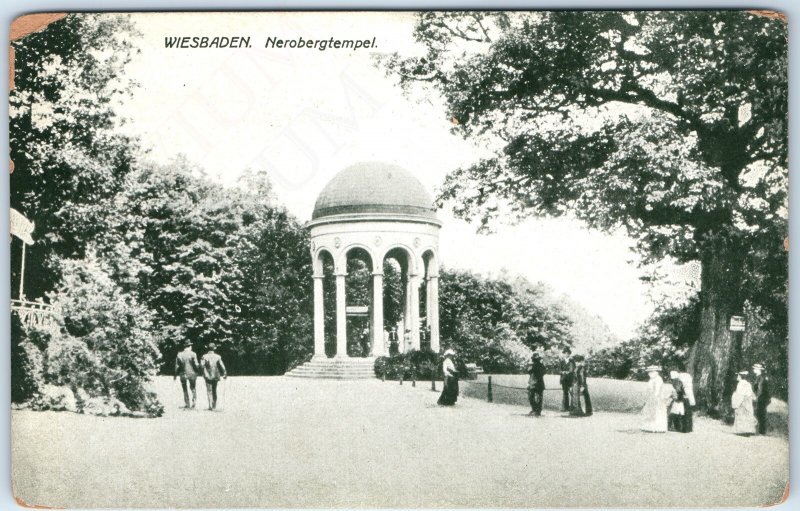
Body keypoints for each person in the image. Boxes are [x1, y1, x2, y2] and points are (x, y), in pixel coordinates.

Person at [641, 365, 668, 433]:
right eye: (649, 372)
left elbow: (657, 390)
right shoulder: (651, 380)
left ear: (656, 372)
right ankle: (649, 427)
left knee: (657, 412)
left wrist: (655, 397)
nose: (649, 373)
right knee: (650, 412)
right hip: (651, 397)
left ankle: (658, 428)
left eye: (651, 372)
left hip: (658, 398)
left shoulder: (659, 379)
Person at [201, 343, 227, 411]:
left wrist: (203, 371)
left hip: (207, 375)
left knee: (209, 391)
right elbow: (222, 366)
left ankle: (210, 406)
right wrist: (224, 373)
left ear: (207, 348)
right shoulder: (218, 356)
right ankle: (214, 405)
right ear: (214, 348)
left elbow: (201, 365)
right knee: (214, 390)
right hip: (215, 375)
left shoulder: (204, 356)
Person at [174, 341, 200, 409]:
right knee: (193, 388)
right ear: (189, 346)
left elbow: (176, 366)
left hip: (183, 374)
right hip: (192, 373)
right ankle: (194, 401)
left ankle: (187, 403)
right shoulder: (193, 354)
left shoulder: (179, 354)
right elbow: (196, 364)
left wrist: (175, 375)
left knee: (184, 389)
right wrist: (198, 370)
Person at [731, 370, 757, 436]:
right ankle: (748, 430)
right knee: (747, 415)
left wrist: (736, 403)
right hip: (748, 401)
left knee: (741, 415)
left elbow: (739, 395)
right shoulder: (748, 384)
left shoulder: (740, 384)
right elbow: (751, 394)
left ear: (740, 376)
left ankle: (741, 431)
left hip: (742, 401)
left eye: (738, 375)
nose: (737, 377)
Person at [752, 363, 771, 435]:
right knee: (760, 414)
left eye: (755, 369)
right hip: (761, 398)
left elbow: (760, 389)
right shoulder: (759, 377)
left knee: (761, 414)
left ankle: (762, 431)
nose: (753, 370)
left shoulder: (761, 378)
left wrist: (756, 398)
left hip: (761, 398)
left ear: (758, 370)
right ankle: (761, 431)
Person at [677, 366, 695, 432]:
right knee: (687, 413)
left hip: (684, 396)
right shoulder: (688, 377)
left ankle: (684, 428)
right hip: (687, 396)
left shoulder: (681, 377)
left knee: (683, 412)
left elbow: (683, 388)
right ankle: (688, 428)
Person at [559, 347, 574, 412]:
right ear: (563, 354)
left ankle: (573, 406)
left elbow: (572, 370)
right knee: (565, 393)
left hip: (570, 379)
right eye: (565, 353)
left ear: (569, 354)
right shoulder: (561, 361)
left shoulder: (572, 361)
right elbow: (559, 370)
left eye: (567, 353)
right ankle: (566, 407)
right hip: (563, 379)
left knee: (572, 392)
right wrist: (563, 372)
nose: (566, 354)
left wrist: (568, 372)